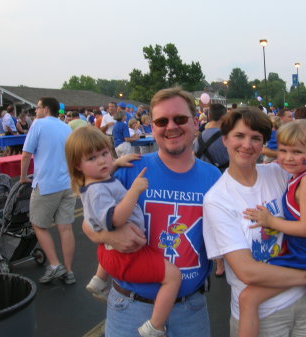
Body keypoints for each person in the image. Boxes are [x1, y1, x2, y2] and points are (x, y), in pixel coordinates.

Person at [82, 87, 221, 337]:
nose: (171, 126)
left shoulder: (213, 177)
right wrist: (109, 237)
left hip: (190, 308)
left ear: (194, 122)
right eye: (161, 121)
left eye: (179, 119)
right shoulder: (129, 169)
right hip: (130, 306)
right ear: (153, 127)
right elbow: (88, 223)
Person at [203, 107, 306, 337]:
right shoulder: (217, 199)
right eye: (239, 136)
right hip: (265, 314)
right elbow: (248, 272)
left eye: (256, 138)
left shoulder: (282, 173)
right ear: (225, 139)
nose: (247, 145)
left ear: (263, 144)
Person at [65, 126, 181, 337]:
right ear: (77, 165)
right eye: (92, 158)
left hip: (109, 251)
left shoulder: (96, 180)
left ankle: (99, 279)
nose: (102, 161)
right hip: (129, 253)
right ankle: (154, 326)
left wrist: (115, 163)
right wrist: (134, 191)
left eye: (104, 154)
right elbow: (115, 219)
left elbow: (104, 172)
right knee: (173, 277)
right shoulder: (98, 190)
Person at [239, 119, 306, 337]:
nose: (288, 157)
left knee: (247, 297)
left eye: (296, 151)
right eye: (282, 150)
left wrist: (270, 221)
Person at [20, 97, 76, 284]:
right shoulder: (65, 127)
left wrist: (22, 177)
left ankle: (54, 264)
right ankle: (68, 271)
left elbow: (26, 154)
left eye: (37, 108)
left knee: (38, 225)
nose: (35, 111)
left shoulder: (38, 124)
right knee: (65, 228)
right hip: (66, 183)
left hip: (46, 184)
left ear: (46, 109)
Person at [193, 103, 229, 172]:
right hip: (223, 178)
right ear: (224, 117)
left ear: (209, 116)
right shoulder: (227, 138)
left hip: (204, 178)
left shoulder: (197, 139)